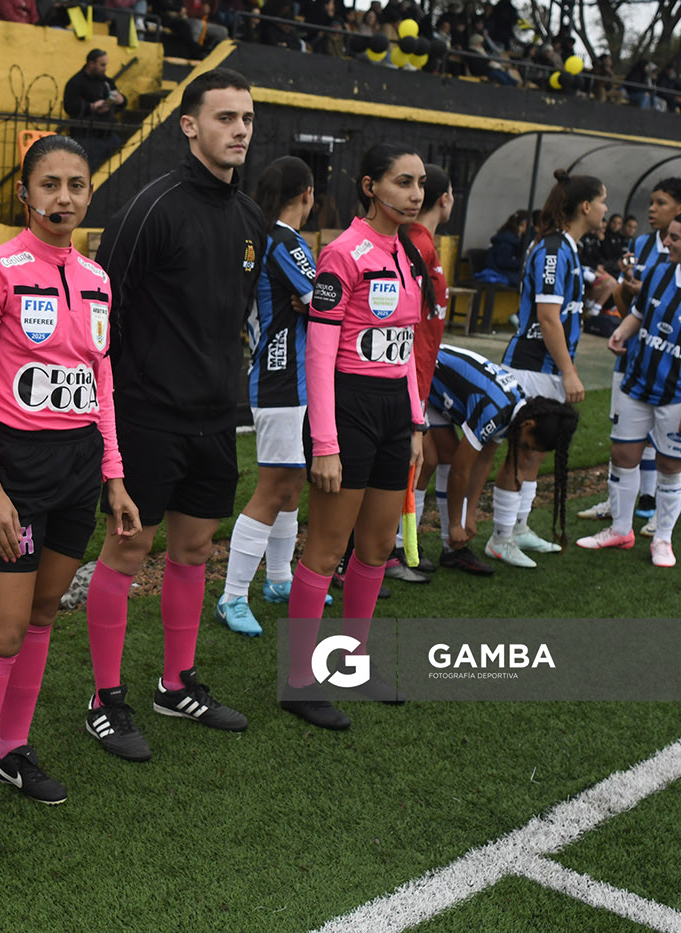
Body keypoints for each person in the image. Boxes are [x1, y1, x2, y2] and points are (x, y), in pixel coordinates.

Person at [0, 136, 140, 857]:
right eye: (49, 184)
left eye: (76, 184)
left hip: (79, 467)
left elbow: (101, 383)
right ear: (24, 194)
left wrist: (114, 474)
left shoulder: (96, 277)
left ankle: (11, 749)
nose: (63, 197)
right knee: (0, 627)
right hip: (12, 472)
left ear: (90, 194)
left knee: (46, 609)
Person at [81, 68, 263, 762]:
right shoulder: (149, 209)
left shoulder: (250, 222)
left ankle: (175, 682)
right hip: (147, 417)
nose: (238, 129)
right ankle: (104, 698)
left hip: (217, 419)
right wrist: (122, 410)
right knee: (127, 552)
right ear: (189, 126)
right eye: (224, 117)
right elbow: (107, 317)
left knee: (194, 551)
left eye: (246, 117)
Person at [281, 143, 429, 731]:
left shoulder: (411, 252)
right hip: (349, 410)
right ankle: (297, 680)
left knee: (375, 547)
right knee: (325, 547)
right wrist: (324, 442)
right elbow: (318, 353)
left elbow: (408, 350)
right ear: (371, 186)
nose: (414, 193)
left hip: (395, 410)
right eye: (402, 181)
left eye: (419, 183)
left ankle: (353, 662)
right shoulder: (342, 253)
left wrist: (416, 421)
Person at [578, 208, 681, 566]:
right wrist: (622, 331)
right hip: (637, 384)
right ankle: (621, 529)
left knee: (670, 465)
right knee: (623, 456)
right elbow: (641, 313)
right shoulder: (661, 273)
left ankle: (662, 538)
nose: (666, 242)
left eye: (675, 238)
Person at [218, 156, 332, 637]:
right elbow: (327, 301)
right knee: (273, 488)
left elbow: (315, 301)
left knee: (291, 484)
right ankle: (232, 596)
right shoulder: (285, 240)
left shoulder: (267, 237)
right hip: (282, 378)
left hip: (288, 379)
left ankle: (279, 579)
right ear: (307, 193)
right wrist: (319, 298)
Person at [492, 169, 606, 567]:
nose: (607, 209)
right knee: (521, 453)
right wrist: (569, 372)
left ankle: (518, 527)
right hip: (532, 367)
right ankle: (501, 537)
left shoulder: (568, 248)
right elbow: (547, 316)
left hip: (548, 368)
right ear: (586, 206)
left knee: (536, 453)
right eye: (603, 201)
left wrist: (594, 302)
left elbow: (567, 313)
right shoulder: (554, 250)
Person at [579, 177, 681, 525]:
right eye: (652, 202)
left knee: (667, 442)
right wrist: (630, 290)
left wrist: (649, 293)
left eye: (661, 202)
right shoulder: (641, 244)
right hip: (633, 352)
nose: (652, 208)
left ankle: (657, 510)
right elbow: (623, 302)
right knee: (625, 433)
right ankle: (623, 507)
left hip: (673, 361)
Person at [426, 345, 578, 575]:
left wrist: (470, 515)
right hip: (420, 373)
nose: (525, 450)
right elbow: (461, 469)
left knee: (447, 456)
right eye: (528, 445)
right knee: (429, 460)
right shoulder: (495, 411)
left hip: (434, 383)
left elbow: (483, 462)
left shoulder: (516, 410)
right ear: (529, 425)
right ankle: (397, 547)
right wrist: (457, 524)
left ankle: (452, 550)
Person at [386, 163, 453, 586]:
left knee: (414, 463)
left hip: (419, 372)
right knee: (397, 467)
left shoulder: (424, 241)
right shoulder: (416, 242)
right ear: (445, 200)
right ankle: (383, 552)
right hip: (404, 374)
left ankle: (398, 547)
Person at [63, 49, 127, 170]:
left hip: (107, 134)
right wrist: (91, 107)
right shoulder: (76, 82)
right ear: (91, 64)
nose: (105, 68)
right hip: (85, 135)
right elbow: (70, 106)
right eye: (102, 65)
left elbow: (119, 100)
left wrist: (121, 100)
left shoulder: (107, 82)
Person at [486, 211, 528, 287]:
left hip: (499, 270)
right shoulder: (507, 240)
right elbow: (502, 261)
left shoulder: (509, 236)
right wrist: (522, 263)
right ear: (524, 223)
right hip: (499, 271)